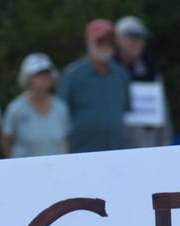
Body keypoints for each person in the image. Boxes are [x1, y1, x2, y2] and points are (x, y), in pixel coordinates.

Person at [57, 19, 132, 153]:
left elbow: (126, 110)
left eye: (109, 41)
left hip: (117, 152)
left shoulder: (121, 74)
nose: (105, 45)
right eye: (100, 40)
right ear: (89, 42)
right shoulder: (72, 75)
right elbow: (59, 115)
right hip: (81, 153)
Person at [1, 54, 71, 158]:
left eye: (47, 73)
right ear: (28, 78)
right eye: (39, 74)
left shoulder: (61, 107)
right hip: (26, 167)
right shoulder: (16, 108)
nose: (44, 77)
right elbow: (7, 141)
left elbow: (65, 141)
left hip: (55, 166)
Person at [115, 16, 169, 148]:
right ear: (118, 39)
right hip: (116, 149)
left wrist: (166, 147)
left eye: (140, 38)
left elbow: (164, 115)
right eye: (132, 37)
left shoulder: (152, 70)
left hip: (148, 145)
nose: (137, 42)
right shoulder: (108, 72)